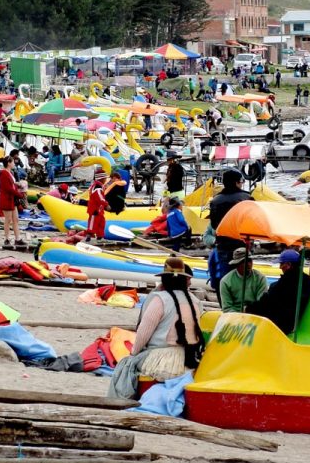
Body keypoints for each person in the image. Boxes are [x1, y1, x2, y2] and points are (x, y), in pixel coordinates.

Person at [107, 258, 203, 398]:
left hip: (162, 361)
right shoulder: (195, 301)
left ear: (164, 279)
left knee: (125, 365)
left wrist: (134, 354)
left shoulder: (160, 299)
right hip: (189, 360)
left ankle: (119, 401)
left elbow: (143, 334)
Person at [247, 249, 310, 334]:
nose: (280, 267)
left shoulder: (279, 286)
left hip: (280, 326)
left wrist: (248, 309)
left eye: (281, 264)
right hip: (298, 323)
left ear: (288, 265)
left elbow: (264, 304)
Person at [208, 169, 253, 291]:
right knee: (245, 275)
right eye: (241, 181)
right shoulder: (247, 198)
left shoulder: (215, 201)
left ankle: (225, 303)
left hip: (223, 244)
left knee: (225, 276)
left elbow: (213, 224)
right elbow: (253, 222)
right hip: (243, 242)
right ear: (237, 182)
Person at [219, 247, 268, 313]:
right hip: (234, 317)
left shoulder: (260, 278)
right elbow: (227, 308)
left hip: (255, 315)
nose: (248, 264)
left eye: (250, 261)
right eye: (244, 262)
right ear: (237, 264)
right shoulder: (225, 282)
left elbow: (262, 304)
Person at [0, 156, 23, 248]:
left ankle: (17, 238)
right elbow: (7, 188)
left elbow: (11, 185)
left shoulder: (9, 172)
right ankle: (7, 239)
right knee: (8, 220)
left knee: (15, 219)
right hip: (7, 198)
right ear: (9, 163)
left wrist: (17, 185)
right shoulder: (3, 173)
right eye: (13, 162)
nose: (14, 164)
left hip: (12, 199)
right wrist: (19, 194)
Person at [86, 170, 109, 240]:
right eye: (105, 178)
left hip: (99, 209)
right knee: (92, 224)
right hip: (95, 209)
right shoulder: (97, 187)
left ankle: (100, 237)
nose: (106, 180)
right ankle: (88, 237)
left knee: (101, 222)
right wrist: (106, 204)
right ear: (101, 179)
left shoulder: (98, 186)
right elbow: (100, 198)